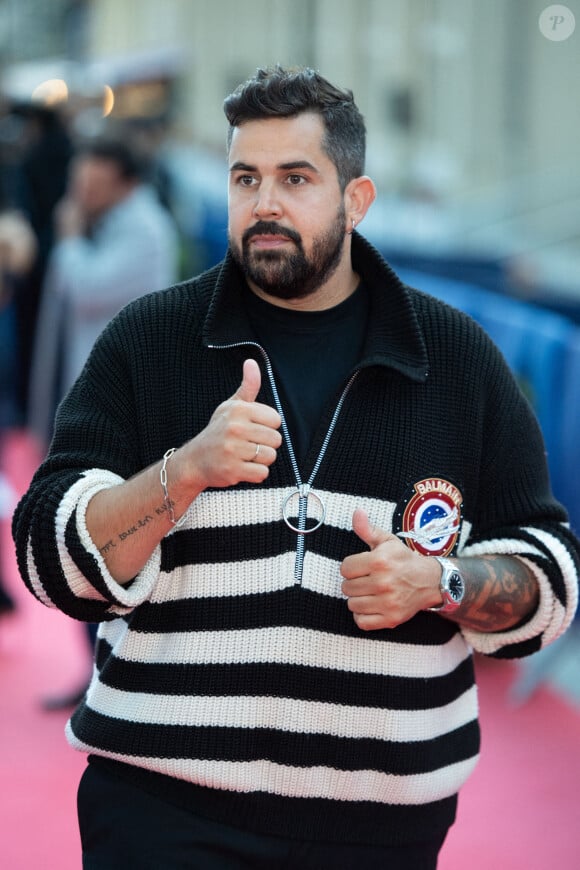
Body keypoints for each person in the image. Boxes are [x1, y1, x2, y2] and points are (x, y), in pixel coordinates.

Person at [11, 66, 579, 870]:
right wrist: (182, 475)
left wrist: (443, 581)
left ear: (357, 199)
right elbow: (46, 555)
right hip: (160, 811)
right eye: (247, 177)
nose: (264, 203)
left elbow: (550, 578)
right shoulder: (151, 341)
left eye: (295, 178)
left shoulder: (456, 360)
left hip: (381, 829)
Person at [28, 136, 180, 446]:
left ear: (127, 184)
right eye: (79, 182)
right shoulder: (105, 221)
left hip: (117, 386)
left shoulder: (146, 230)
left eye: (94, 184)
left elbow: (87, 290)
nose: (82, 193)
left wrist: (69, 238)